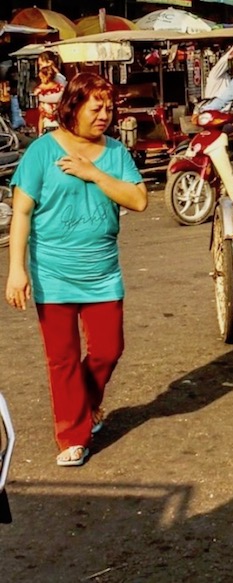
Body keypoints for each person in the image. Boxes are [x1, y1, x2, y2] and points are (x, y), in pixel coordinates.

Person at [4, 72, 148, 467]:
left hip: (102, 273)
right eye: (96, 107)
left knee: (108, 350)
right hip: (52, 273)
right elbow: (21, 212)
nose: (105, 114)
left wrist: (95, 174)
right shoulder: (42, 152)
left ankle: (86, 404)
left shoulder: (115, 153)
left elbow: (138, 200)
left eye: (109, 107)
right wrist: (17, 270)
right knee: (62, 359)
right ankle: (73, 435)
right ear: (74, 106)